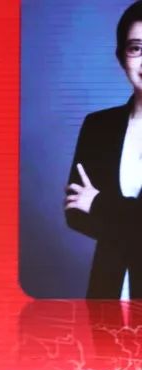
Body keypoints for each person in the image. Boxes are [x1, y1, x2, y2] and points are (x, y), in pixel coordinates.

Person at [64, 0, 142, 299]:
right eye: (136, 48)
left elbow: (89, 207)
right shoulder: (99, 126)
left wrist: (98, 203)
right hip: (109, 288)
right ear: (121, 57)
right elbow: (75, 213)